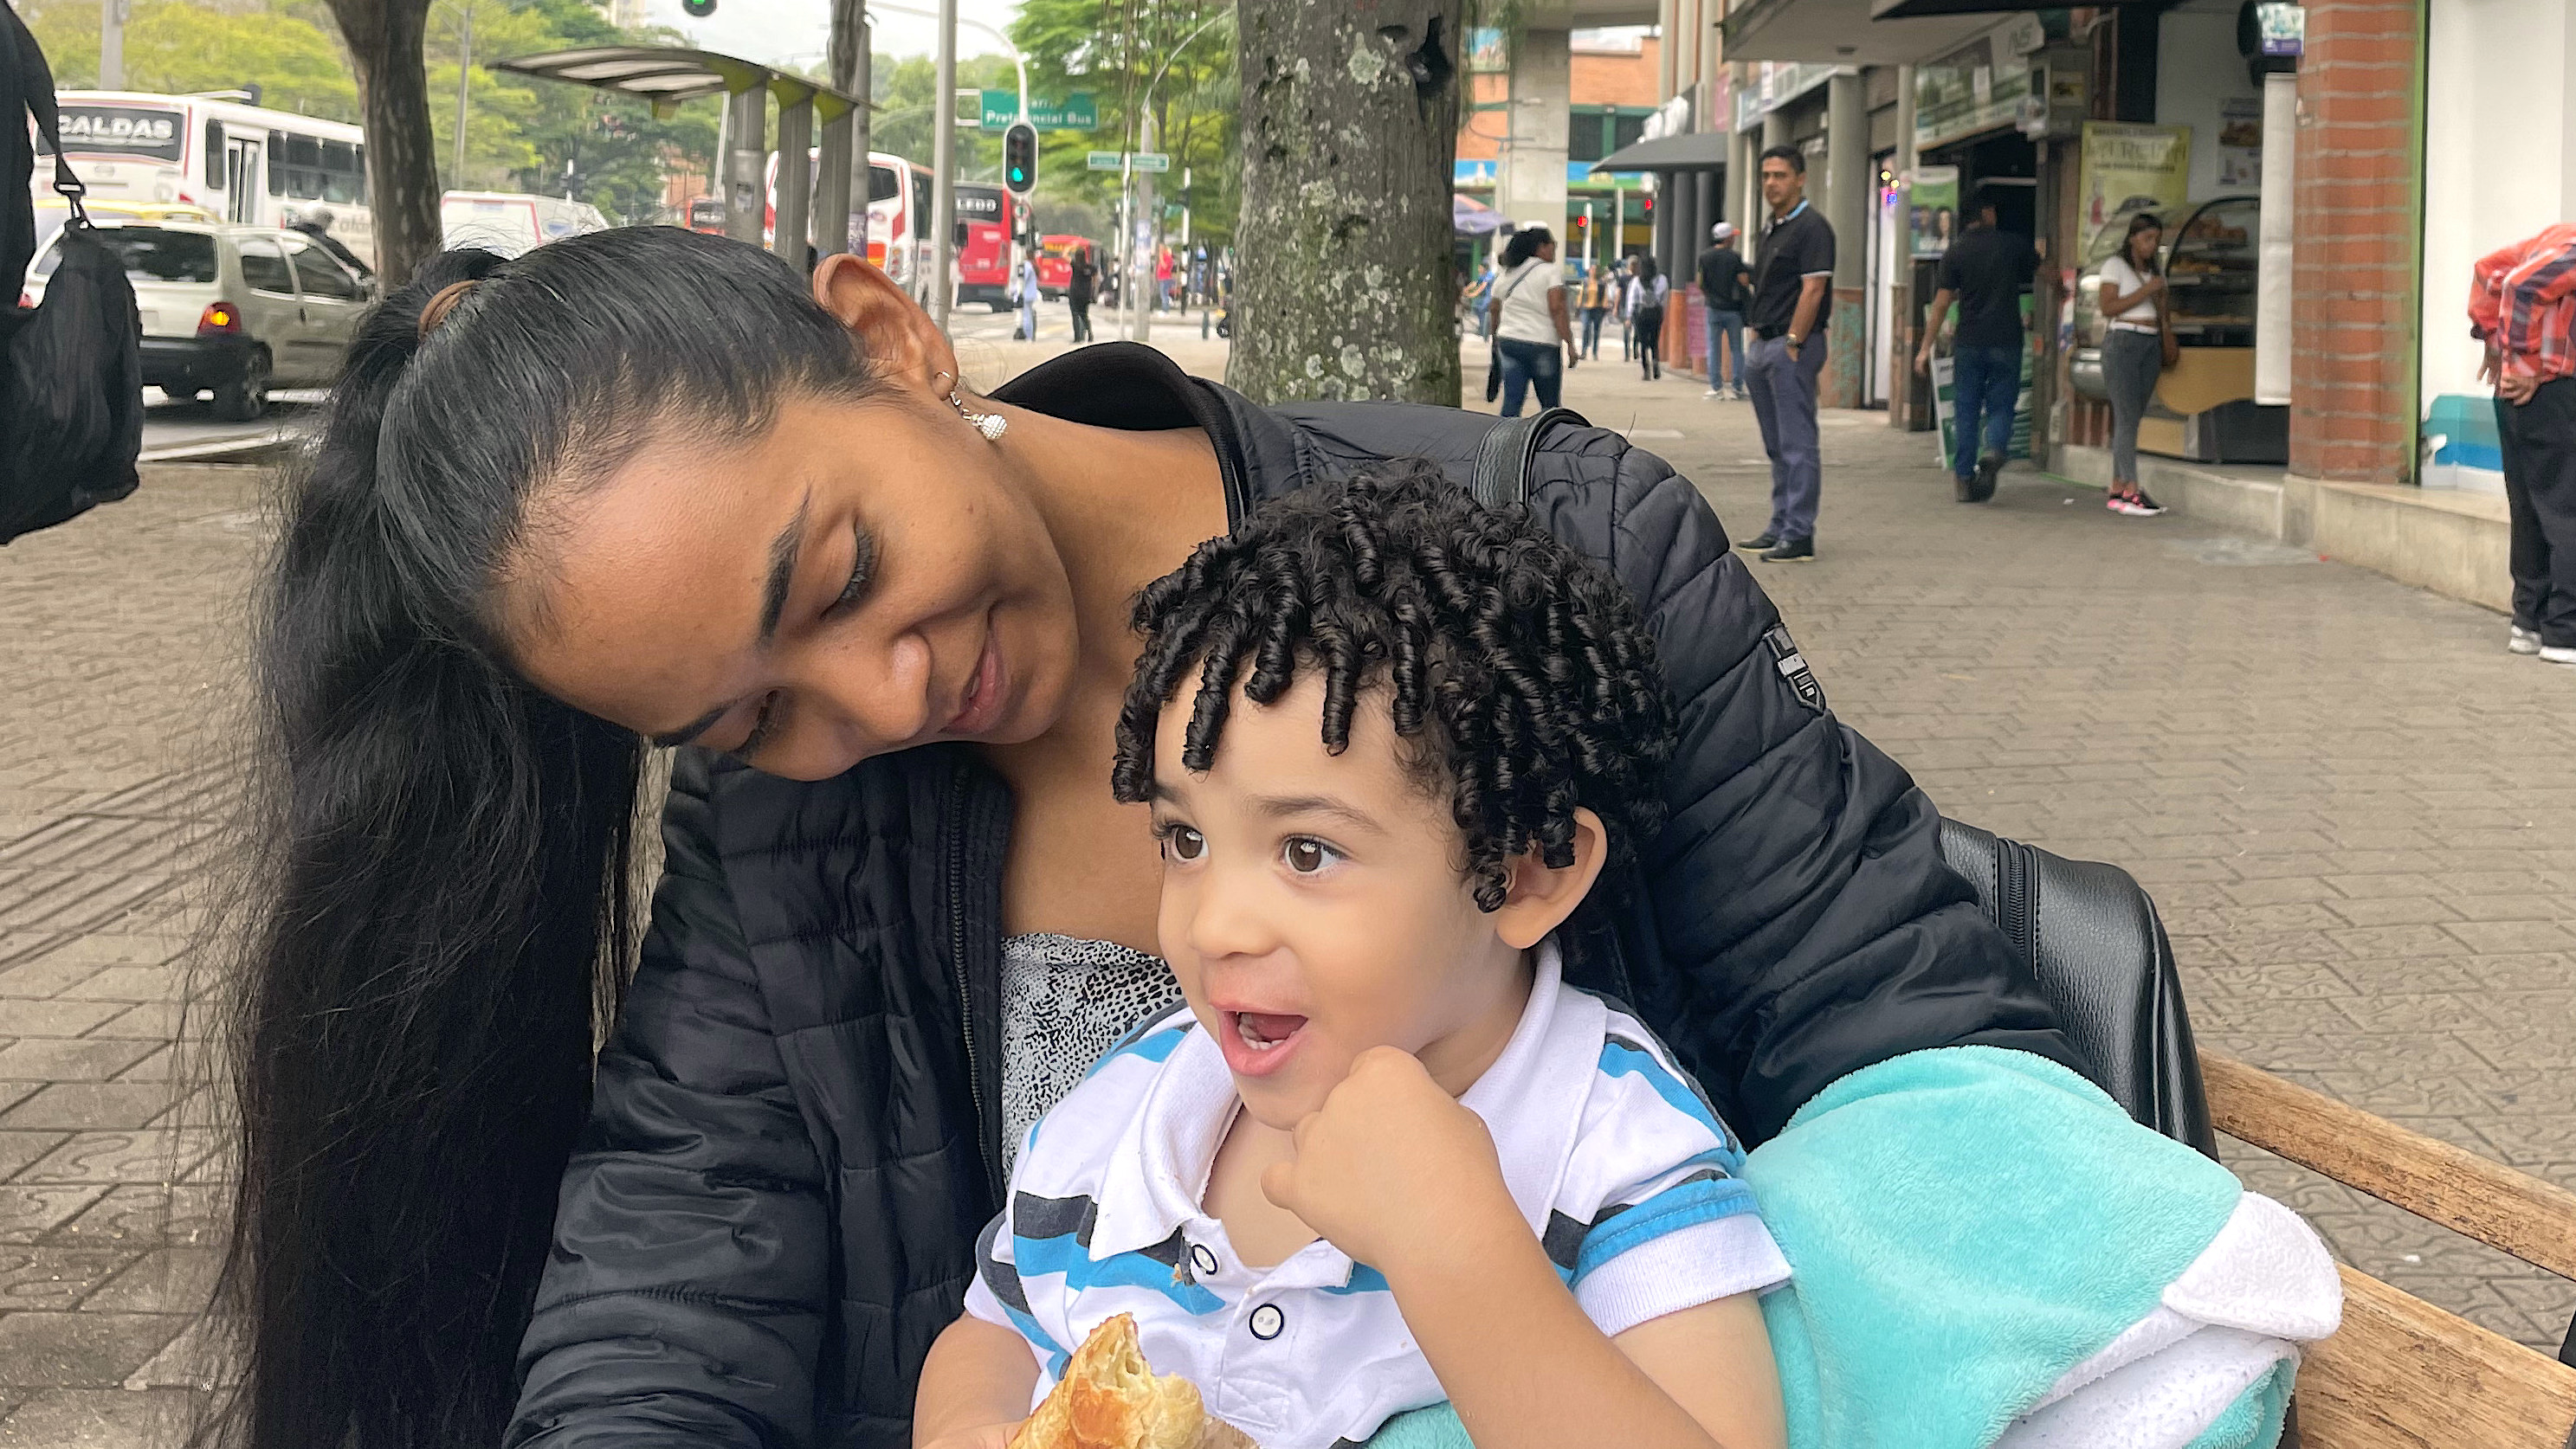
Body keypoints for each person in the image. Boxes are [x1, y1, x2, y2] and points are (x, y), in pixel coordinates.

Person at [216, 226, 2075, 1449]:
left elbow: (1926, 1078)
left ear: (886, 340)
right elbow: (689, 1227)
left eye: (844, 575)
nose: (877, 699)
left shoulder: (1553, 556)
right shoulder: (792, 808)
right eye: (748, 713)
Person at [917, 465, 1789, 1449]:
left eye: (1306, 852)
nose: (1214, 927)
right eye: (1185, 841)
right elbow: (993, 1332)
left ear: (1523, 874)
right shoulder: (1120, 1118)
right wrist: (965, 1426)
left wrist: (1454, 1251)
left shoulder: (1613, 1152)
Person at [2471, 222, 2576, 665]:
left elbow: (2489, 270)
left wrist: (2495, 343)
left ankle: (2529, 623)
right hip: (2551, 390)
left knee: (2532, 509)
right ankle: (2566, 633)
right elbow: (2521, 284)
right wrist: (2525, 360)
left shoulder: (2558, 238)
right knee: (2568, 509)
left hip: (2522, 395)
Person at [1738, 145, 1835, 564]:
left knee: (1798, 445)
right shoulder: (1771, 228)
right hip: (1764, 346)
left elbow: (1813, 289)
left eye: (1779, 175)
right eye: (1766, 176)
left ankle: (1799, 534)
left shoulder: (1813, 228)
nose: (1771, 183)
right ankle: (1779, 525)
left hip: (1792, 347)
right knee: (1777, 446)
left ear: (1800, 179)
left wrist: (1794, 341)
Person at [1914, 186, 2040, 504]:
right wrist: (2063, 287)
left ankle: (1963, 478)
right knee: (2002, 403)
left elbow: (1941, 304)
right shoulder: (2011, 244)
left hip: (1969, 342)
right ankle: (1994, 447)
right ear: (1986, 213)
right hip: (2007, 340)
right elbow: (2045, 271)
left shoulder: (1955, 252)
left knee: (1966, 409)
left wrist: (1925, 347)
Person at [2096, 213, 2171, 517]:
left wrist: (2161, 298)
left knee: (2132, 418)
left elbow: (2162, 309)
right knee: (2126, 417)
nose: (2151, 245)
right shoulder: (2115, 266)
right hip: (2123, 341)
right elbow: (2107, 307)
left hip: (2150, 342)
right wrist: (2145, 291)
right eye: (2147, 238)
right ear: (2132, 239)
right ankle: (2131, 489)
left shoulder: (2155, 271)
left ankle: (2118, 486)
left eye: (2156, 240)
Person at [1489, 226, 1576, 416]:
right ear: (1541, 247)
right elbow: (1557, 309)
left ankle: (1506, 434)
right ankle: (1551, 434)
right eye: (1553, 245)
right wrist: (1569, 343)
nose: (1554, 249)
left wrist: (1494, 336)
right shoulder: (1550, 272)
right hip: (1542, 343)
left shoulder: (1507, 273)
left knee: (1512, 400)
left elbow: (1494, 308)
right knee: (1549, 405)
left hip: (1509, 340)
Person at [1695, 222, 1752, 402]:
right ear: (1728, 238)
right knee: (1736, 349)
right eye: (1732, 236)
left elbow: (1699, 282)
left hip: (1713, 308)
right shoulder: (1734, 257)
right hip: (1733, 310)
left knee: (1713, 349)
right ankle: (1737, 388)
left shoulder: (1704, 257)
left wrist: (1710, 295)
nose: (1734, 239)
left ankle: (1716, 388)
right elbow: (1744, 281)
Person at [1627, 254, 1669, 382]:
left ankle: (1646, 370)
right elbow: (1664, 299)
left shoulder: (1637, 280)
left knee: (1643, 342)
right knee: (1654, 341)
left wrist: (1629, 316)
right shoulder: (1662, 279)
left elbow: (1632, 299)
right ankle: (1656, 365)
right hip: (1656, 313)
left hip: (1641, 313)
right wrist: (1663, 312)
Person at [1576, 259, 1611, 359]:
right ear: (1590, 271)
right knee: (1585, 328)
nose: (1594, 271)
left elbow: (1605, 295)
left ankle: (1595, 352)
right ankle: (1584, 351)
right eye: (1592, 269)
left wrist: (1605, 305)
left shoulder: (1601, 283)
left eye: (1595, 270)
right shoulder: (1586, 282)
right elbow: (1581, 294)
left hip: (1597, 309)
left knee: (1596, 330)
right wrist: (1578, 306)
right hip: (1586, 308)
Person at [1066, 244, 1096, 345]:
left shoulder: (1075, 265)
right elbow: (1095, 280)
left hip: (1075, 293)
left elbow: (1064, 256)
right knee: (1084, 315)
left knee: (1075, 315)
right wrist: (1093, 291)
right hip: (1086, 294)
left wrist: (1069, 247)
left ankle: (1077, 338)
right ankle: (1090, 334)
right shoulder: (1090, 267)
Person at [1014, 251, 1041, 343]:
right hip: (1032, 293)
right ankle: (1031, 335)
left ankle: (1029, 335)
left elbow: (1023, 278)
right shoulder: (1033, 265)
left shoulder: (1027, 265)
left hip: (1027, 293)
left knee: (1027, 316)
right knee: (1030, 314)